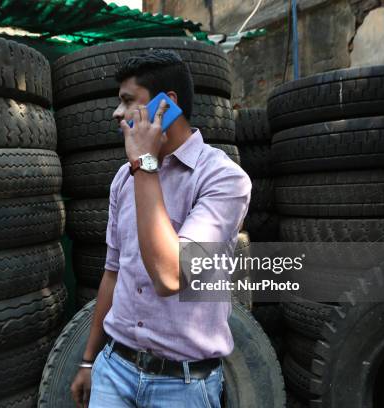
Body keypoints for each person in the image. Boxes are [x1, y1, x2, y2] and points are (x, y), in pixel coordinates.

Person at [70, 49, 252, 408]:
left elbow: (171, 276)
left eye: (127, 101)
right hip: (114, 369)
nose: (116, 113)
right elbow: (112, 273)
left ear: (165, 105)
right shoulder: (125, 178)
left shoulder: (224, 180)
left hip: (183, 386)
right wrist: (89, 360)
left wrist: (146, 166)